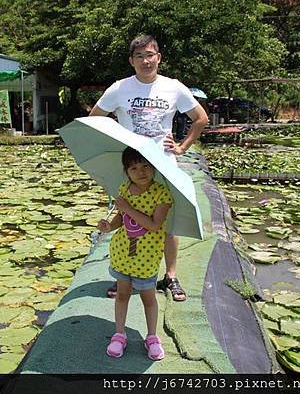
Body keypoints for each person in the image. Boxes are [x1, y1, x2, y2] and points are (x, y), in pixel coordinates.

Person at [89, 34, 209, 301]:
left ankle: (171, 276)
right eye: (140, 56)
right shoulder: (119, 89)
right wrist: (118, 140)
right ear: (132, 61)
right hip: (132, 165)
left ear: (159, 58)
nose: (146, 60)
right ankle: (124, 276)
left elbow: (200, 119)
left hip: (164, 165)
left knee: (168, 224)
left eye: (150, 55)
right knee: (125, 217)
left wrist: (182, 146)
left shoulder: (174, 87)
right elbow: (94, 119)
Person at [98, 147, 172, 360]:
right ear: (126, 171)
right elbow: (121, 219)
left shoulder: (161, 193)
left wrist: (127, 207)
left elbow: (154, 224)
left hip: (146, 256)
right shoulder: (124, 189)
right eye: (134, 168)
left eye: (145, 166)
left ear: (153, 167)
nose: (141, 172)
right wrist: (108, 227)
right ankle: (119, 334)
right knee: (122, 294)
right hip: (123, 252)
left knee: (148, 298)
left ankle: (152, 337)